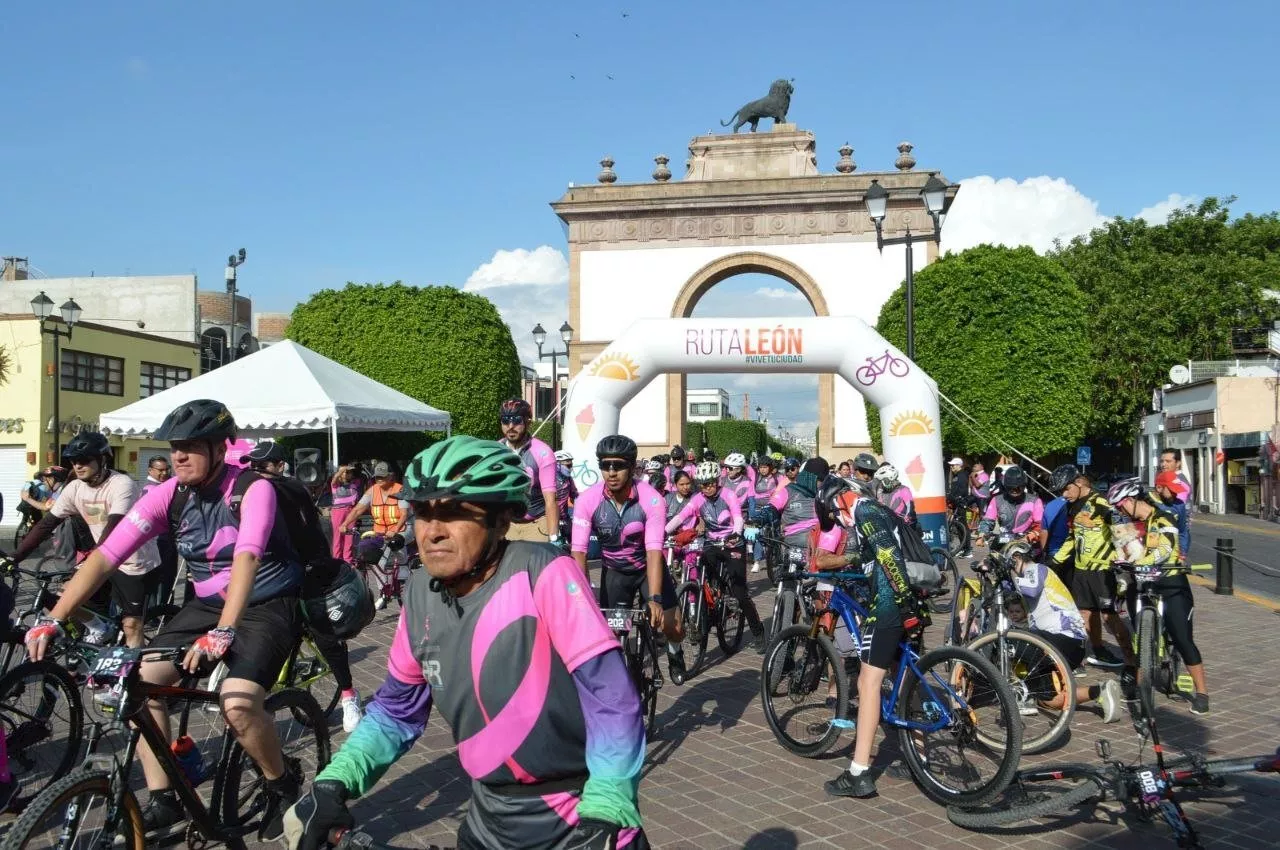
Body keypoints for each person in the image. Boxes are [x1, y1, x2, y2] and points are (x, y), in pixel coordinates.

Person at [282, 436, 649, 850]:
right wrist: (334, 782)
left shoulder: (543, 570)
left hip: (579, 820)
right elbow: (397, 712)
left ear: (501, 520)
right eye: (422, 513)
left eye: (456, 511)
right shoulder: (419, 592)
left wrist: (608, 806)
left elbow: (612, 699)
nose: (433, 531)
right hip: (488, 822)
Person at [24, 400, 305, 840]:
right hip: (206, 605)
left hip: (265, 604)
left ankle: (283, 783)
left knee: (238, 702)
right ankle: (164, 799)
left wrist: (224, 631)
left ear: (218, 448)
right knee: (138, 682)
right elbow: (106, 556)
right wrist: (54, 619)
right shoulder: (167, 495)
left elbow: (248, 555)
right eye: (175, 446)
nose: (178, 456)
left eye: (190, 446)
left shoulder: (253, 489)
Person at [816, 477, 927, 799]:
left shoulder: (864, 512)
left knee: (867, 683)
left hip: (891, 605)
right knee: (905, 677)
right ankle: (916, 757)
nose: (838, 521)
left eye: (834, 514)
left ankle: (859, 772)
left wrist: (903, 604)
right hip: (909, 599)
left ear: (840, 500)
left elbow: (889, 557)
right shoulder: (881, 510)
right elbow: (875, 557)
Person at [245, 442, 365, 733]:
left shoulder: (290, 488)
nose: (257, 472)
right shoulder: (251, 491)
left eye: (264, 466)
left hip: (307, 567)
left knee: (326, 637)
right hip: (273, 574)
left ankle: (349, 695)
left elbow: (307, 532)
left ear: (280, 466)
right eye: (254, 466)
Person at [7, 432, 163, 648]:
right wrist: (14, 557)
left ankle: (133, 677)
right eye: (74, 461)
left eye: (84, 460)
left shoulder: (122, 484)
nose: (78, 466)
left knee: (131, 625)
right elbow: (46, 524)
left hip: (134, 562)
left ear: (102, 459)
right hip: (102, 559)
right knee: (65, 598)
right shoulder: (75, 488)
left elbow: (114, 529)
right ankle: (99, 628)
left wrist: (88, 564)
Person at [572, 435, 687, 685]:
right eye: (605, 465)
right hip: (615, 572)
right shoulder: (586, 501)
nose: (611, 472)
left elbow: (654, 551)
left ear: (633, 466)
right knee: (611, 636)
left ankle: (675, 651)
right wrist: (584, 599)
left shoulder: (651, 499)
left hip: (648, 568)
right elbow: (579, 553)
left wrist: (655, 599)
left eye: (618, 465)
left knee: (674, 627)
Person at [1105, 478, 1209, 715]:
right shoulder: (1129, 524)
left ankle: (1202, 692)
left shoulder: (1164, 518)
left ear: (1131, 500)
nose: (1120, 511)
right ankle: (1141, 688)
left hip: (1171, 583)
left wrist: (1143, 562)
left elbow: (1164, 549)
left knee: (1182, 638)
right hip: (1142, 584)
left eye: (1121, 506)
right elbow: (1122, 548)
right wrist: (1119, 559)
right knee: (1139, 637)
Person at [1002, 541, 1122, 723]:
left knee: (1013, 642)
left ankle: (1023, 697)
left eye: (1010, 563)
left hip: (1064, 637)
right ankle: (1099, 691)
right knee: (1049, 700)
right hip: (1060, 643)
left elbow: (1031, 590)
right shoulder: (1028, 575)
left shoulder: (1035, 569)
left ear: (1016, 558)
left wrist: (1011, 574)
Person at [665, 461, 765, 651]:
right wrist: (663, 532)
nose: (707, 488)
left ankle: (758, 630)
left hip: (732, 543)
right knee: (701, 568)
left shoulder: (728, 495)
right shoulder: (698, 498)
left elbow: (737, 517)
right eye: (703, 484)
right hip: (712, 542)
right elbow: (681, 516)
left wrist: (736, 533)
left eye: (710, 483)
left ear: (717, 481)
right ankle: (710, 601)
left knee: (740, 593)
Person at [1051, 470, 1134, 671]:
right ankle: (1095, 650)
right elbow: (1073, 537)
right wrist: (1054, 561)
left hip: (1103, 570)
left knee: (1110, 617)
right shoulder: (1071, 507)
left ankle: (1132, 662)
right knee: (1085, 615)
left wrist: (1131, 555)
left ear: (1079, 482)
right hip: (1081, 570)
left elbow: (1123, 529)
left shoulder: (1101, 503)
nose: (1064, 494)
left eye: (1066, 488)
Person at [497, 398, 560, 546]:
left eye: (517, 420)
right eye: (505, 420)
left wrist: (554, 538)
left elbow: (551, 500)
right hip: (507, 524)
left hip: (536, 524)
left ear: (528, 422)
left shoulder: (542, 452)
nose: (510, 426)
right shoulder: (496, 451)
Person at [762, 457, 829, 578]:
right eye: (817, 479)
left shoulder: (827, 494)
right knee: (788, 575)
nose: (819, 483)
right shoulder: (788, 491)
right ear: (807, 476)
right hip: (794, 542)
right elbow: (771, 507)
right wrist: (759, 519)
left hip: (821, 544)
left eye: (822, 480)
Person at [978, 466, 1043, 543]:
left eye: (1018, 488)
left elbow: (1041, 525)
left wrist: (1029, 537)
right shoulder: (997, 500)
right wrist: (981, 535)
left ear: (1024, 486)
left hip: (1027, 543)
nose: (1014, 491)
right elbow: (987, 520)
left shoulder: (1035, 501)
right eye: (1010, 488)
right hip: (1004, 543)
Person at [1040, 464, 1077, 584]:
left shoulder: (1050, 505)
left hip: (1054, 554)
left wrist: (1044, 553)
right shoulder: (1080, 505)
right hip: (1074, 556)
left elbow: (1044, 532)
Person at [747, 456, 782, 569]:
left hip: (773, 508)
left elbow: (783, 492)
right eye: (760, 467)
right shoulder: (756, 479)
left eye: (765, 467)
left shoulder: (778, 478)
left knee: (775, 532)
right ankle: (757, 561)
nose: (762, 470)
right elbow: (751, 495)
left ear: (770, 467)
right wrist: (752, 513)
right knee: (758, 534)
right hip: (758, 508)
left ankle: (777, 555)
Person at [1155, 467, 1191, 564]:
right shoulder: (1149, 503)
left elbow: (1183, 531)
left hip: (1171, 557)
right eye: (1171, 490)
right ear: (1159, 488)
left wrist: (1182, 555)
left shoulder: (1179, 505)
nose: (1175, 493)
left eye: (1176, 490)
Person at [329, 463, 363, 563]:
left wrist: (351, 468)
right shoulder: (335, 485)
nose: (347, 474)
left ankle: (348, 560)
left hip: (351, 510)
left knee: (349, 537)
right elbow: (334, 479)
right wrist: (340, 471)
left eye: (349, 473)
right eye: (345, 473)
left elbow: (359, 474)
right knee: (338, 537)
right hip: (338, 511)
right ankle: (337, 561)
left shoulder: (355, 483)